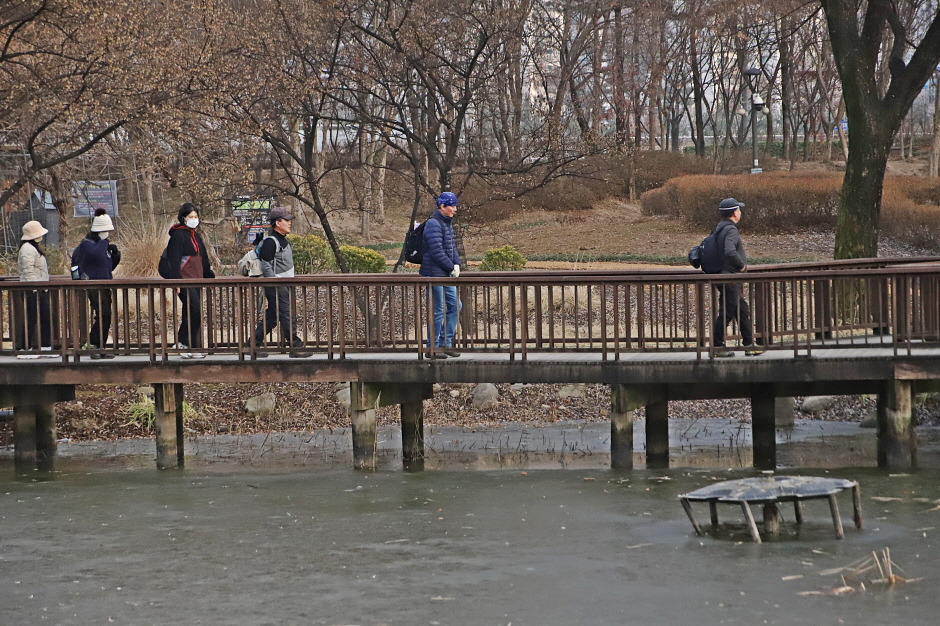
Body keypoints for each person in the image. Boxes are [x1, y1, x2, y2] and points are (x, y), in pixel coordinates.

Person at [252, 207, 311, 358]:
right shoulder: (271, 241)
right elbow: (266, 264)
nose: (289, 223)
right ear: (278, 223)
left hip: (282, 284)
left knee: (272, 317)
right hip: (277, 285)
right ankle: (295, 346)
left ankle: (252, 344)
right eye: (286, 220)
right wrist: (274, 282)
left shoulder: (281, 240)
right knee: (286, 315)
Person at [711, 198, 762, 357]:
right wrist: (742, 266)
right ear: (734, 213)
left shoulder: (719, 228)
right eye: (739, 209)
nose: (740, 212)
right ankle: (716, 347)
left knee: (741, 309)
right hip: (730, 277)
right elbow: (730, 251)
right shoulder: (731, 230)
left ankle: (749, 344)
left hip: (723, 275)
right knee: (727, 312)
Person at [165, 203, 215, 358]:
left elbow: (203, 259)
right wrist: (176, 281)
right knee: (195, 310)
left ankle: (188, 345)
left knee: (192, 312)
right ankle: (182, 343)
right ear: (183, 218)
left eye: (195, 216)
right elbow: (173, 260)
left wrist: (209, 277)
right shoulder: (178, 236)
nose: (194, 219)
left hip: (197, 279)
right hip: (184, 280)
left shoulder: (196, 236)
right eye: (190, 217)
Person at [71, 208, 121, 359]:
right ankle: (93, 344)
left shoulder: (102, 246)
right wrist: (105, 242)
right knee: (102, 314)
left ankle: (99, 346)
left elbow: (107, 266)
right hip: (93, 284)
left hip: (104, 284)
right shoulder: (87, 244)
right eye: (105, 231)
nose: (107, 234)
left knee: (106, 315)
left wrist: (115, 255)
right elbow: (95, 254)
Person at [419, 191, 462, 358]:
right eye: (452, 206)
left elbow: (452, 248)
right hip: (434, 274)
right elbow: (436, 251)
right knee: (437, 310)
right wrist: (452, 267)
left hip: (445, 274)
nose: (455, 209)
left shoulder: (446, 223)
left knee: (456, 306)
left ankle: (446, 343)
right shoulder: (433, 223)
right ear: (442, 206)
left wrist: (456, 264)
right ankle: (433, 348)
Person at [16, 220, 57, 358]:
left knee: (45, 317)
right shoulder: (27, 249)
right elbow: (28, 270)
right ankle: (25, 348)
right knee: (31, 318)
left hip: (39, 288)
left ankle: (45, 346)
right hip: (32, 289)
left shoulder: (32, 248)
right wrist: (34, 287)